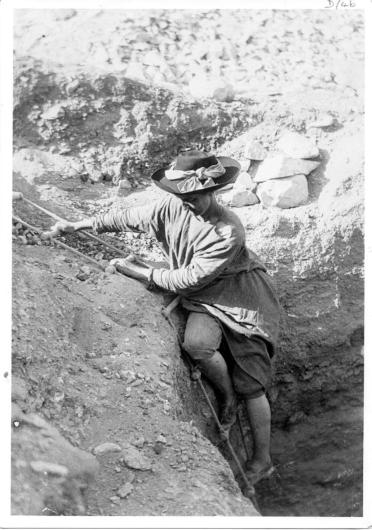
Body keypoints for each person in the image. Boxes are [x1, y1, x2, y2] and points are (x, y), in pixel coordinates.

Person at [51, 150, 281, 484]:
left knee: (252, 385)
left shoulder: (228, 231)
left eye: (196, 198)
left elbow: (186, 279)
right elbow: (128, 217)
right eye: (182, 197)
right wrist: (81, 224)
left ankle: (262, 460)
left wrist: (138, 271)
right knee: (198, 345)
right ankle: (226, 395)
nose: (188, 204)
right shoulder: (172, 206)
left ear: (212, 192)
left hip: (241, 299)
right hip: (202, 298)